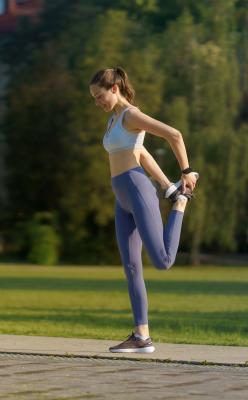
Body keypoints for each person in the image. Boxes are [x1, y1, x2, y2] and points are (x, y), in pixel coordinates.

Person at [89, 67, 199, 353]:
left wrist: (185, 173)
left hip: (138, 190)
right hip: (121, 197)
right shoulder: (114, 120)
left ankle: (182, 204)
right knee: (131, 267)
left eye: (99, 96)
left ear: (114, 89)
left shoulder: (131, 115)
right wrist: (166, 184)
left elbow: (174, 134)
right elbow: (141, 152)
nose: (97, 102)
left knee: (162, 261)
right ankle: (141, 336)